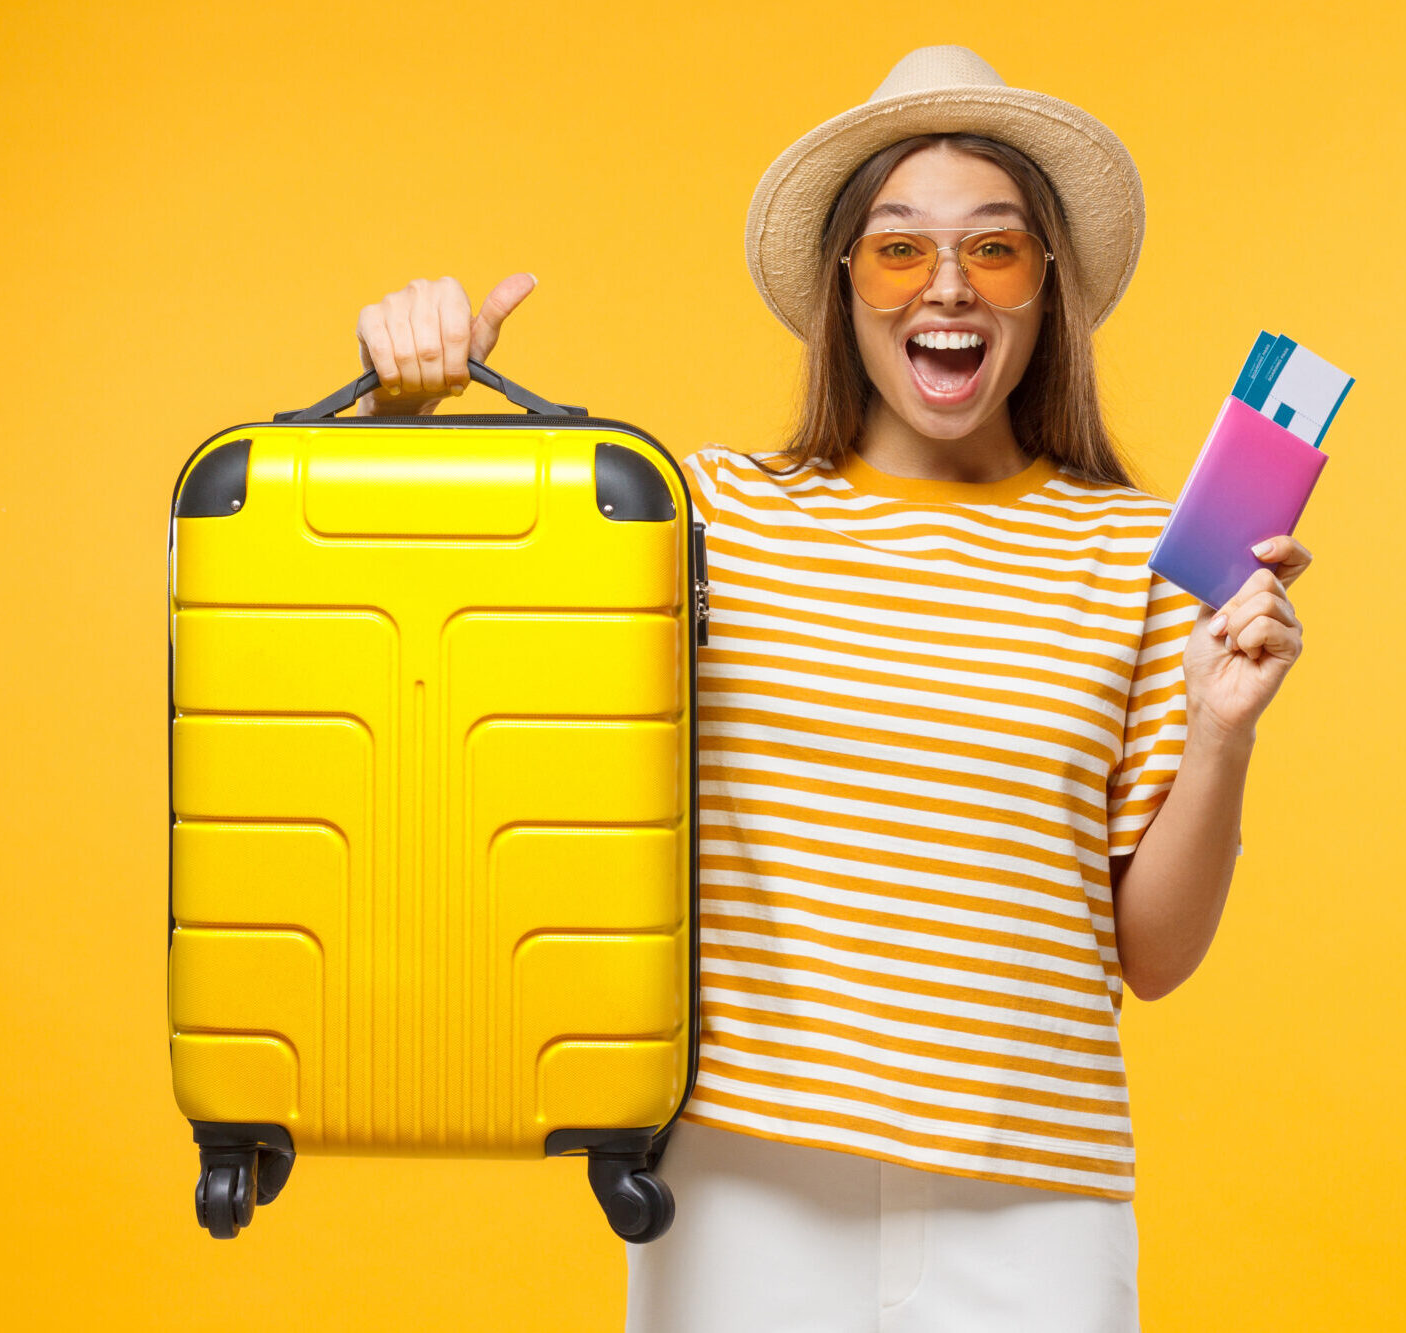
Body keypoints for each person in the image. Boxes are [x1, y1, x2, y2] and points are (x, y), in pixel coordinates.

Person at [353, 44, 1310, 1333]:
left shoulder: (1140, 555)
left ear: (1045, 292)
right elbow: (447, 657)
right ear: (844, 287)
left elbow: (1154, 953)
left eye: (998, 248)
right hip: (740, 1189)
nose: (948, 286)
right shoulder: (707, 513)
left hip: (1036, 1205)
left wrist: (1221, 731)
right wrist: (401, 414)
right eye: (898, 248)